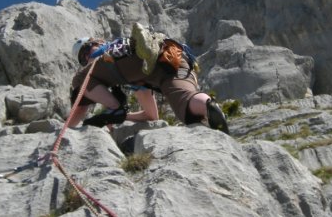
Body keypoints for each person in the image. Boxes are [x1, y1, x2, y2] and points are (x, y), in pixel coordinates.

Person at [67, 24, 229, 134]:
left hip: (132, 60)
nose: (87, 57)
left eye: (87, 50)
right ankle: (208, 106)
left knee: (79, 80)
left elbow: (80, 100)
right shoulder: (135, 78)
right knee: (187, 106)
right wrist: (123, 116)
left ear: (98, 42)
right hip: (173, 57)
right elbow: (152, 115)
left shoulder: (103, 54)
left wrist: (67, 129)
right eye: (83, 58)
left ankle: (114, 106)